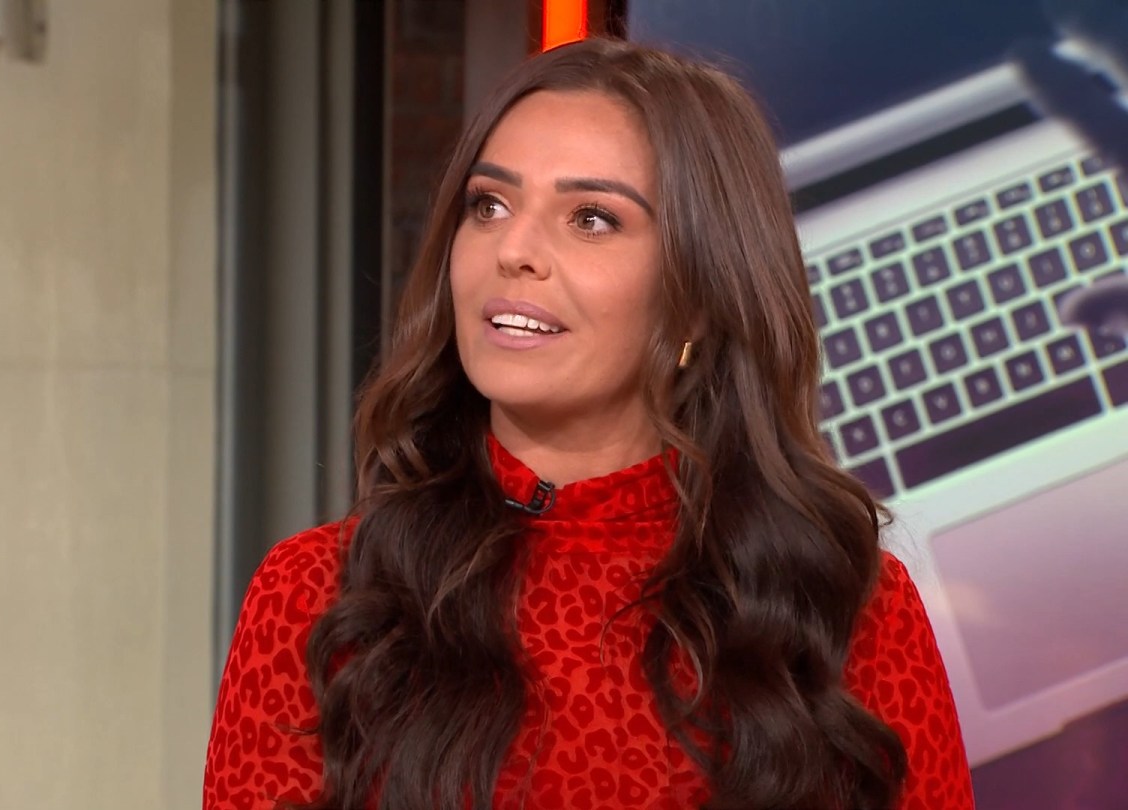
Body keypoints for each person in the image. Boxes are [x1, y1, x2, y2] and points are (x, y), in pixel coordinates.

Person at [204, 38, 975, 810]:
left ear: (699, 297)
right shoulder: (316, 597)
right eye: (489, 205)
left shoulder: (845, 611)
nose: (514, 250)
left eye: (592, 218)